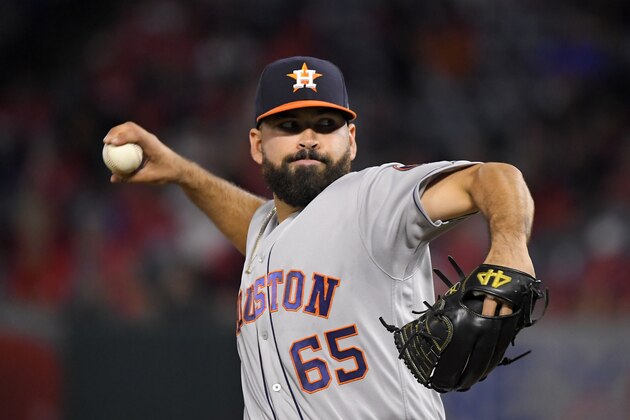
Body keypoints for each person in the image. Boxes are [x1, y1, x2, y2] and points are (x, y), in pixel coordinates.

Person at [103, 56, 536, 419]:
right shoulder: (267, 233)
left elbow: (494, 177)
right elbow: (258, 225)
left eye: (325, 124)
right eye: (289, 126)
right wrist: (183, 172)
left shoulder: (373, 200)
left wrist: (510, 248)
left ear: (350, 140)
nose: (308, 138)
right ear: (256, 145)